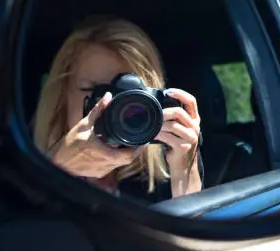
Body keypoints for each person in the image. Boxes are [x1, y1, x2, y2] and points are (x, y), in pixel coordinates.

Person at [33, 18, 203, 203]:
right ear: (61, 96)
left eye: (127, 95)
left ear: (153, 101)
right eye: (91, 90)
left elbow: (189, 227)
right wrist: (56, 168)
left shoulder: (166, 164)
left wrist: (184, 169)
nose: (110, 107)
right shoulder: (19, 163)